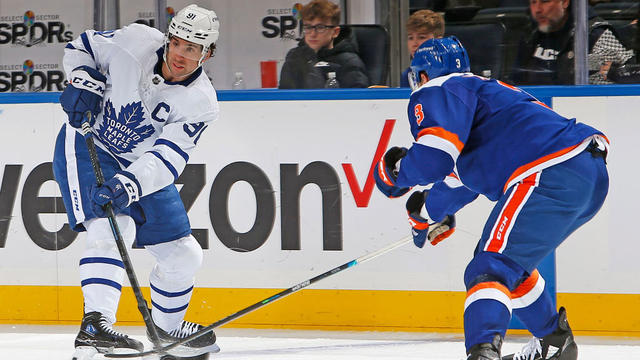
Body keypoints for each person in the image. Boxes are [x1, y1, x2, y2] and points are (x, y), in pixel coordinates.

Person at [374, 37, 609, 360]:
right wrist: (425, 213)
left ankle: (483, 353)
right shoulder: (480, 101)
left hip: (549, 170)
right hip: (586, 171)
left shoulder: (441, 88)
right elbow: (456, 185)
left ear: (423, 76)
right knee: (510, 264)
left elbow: (432, 160)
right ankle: (555, 343)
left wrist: (393, 175)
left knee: (490, 267)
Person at [54, 4, 220, 359]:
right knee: (116, 226)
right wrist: (83, 77)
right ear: (169, 38)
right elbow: (81, 46)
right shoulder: (134, 41)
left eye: (192, 49)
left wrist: (128, 184)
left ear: (207, 54)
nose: (180, 54)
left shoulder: (201, 102)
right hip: (89, 145)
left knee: (183, 253)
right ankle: (94, 326)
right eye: (177, 43)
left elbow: (167, 158)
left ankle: (166, 331)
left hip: (140, 167)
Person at [511, 0, 635, 85]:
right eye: (533, 2)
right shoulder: (530, 34)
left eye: (545, 1)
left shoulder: (596, 35)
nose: (537, 9)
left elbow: (615, 94)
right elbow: (515, 82)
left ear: (565, 2)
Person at [278, 0, 369, 89]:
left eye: (320, 27)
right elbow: (283, 98)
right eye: (308, 27)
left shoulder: (348, 62)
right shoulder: (295, 57)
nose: (313, 34)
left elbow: (357, 101)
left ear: (335, 32)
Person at [400, 9, 445, 87]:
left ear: (438, 41)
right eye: (411, 38)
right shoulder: (408, 75)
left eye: (421, 37)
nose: (414, 43)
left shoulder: (451, 73)